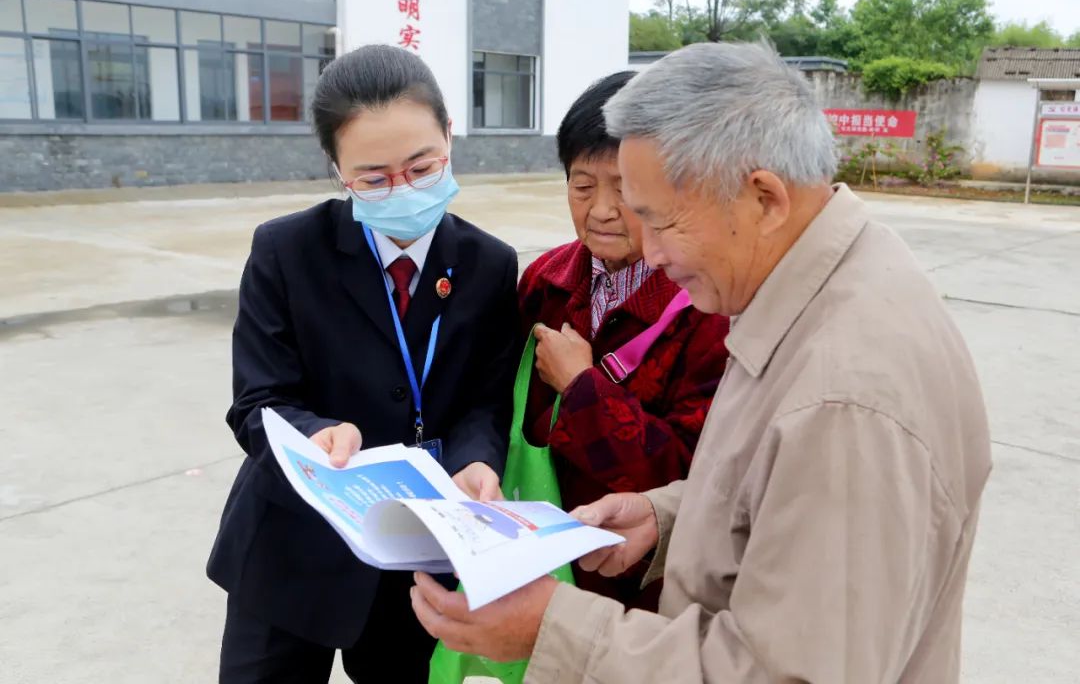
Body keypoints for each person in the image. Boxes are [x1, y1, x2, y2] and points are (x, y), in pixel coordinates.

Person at [410, 41, 993, 684]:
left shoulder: (845, 400)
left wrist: (556, 629)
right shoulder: (814, 290)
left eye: (657, 219)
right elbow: (775, 495)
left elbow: (790, 672)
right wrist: (666, 518)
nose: (648, 253)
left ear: (764, 199)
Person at [206, 44, 519, 684]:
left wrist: (477, 460)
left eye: (421, 165)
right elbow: (256, 401)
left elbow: (484, 401)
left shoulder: (490, 264)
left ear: (449, 135)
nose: (401, 189)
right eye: (373, 178)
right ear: (337, 169)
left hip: (418, 552)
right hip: (293, 550)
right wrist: (312, 433)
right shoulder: (287, 251)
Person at [516, 71, 729, 610]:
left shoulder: (707, 307)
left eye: (625, 190)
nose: (601, 209)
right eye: (582, 185)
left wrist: (583, 387)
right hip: (543, 555)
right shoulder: (544, 279)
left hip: (639, 578)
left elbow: (691, 473)